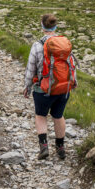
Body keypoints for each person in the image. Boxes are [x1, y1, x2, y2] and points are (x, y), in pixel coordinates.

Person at [23, 13, 73, 160]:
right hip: (63, 88)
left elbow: (31, 68)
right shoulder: (64, 44)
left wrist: (27, 86)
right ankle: (60, 148)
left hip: (43, 89)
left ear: (42, 26)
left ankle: (44, 147)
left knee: (41, 115)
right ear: (55, 26)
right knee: (58, 116)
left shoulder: (37, 45)